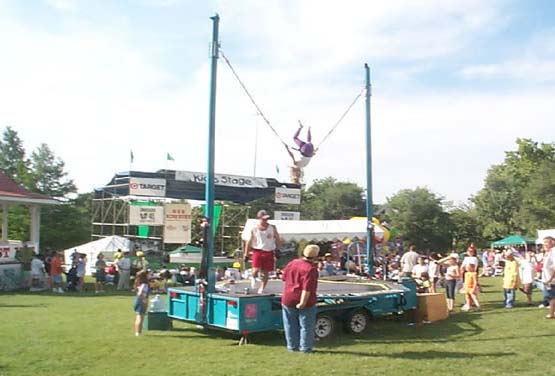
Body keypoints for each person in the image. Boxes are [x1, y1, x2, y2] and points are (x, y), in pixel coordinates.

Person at [281, 244, 320, 353]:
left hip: (288, 297)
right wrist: (302, 302)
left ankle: (291, 347)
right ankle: (305, 348)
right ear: (316, 256)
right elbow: (307, 288)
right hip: (305, 300)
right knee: (306, 325)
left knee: (289, 324)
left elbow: (283, 278)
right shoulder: (311, 269)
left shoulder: (293, 263)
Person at [243, 210, 281, 294]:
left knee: (266, 272)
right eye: (263, 219)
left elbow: (277, 238)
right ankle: (253, 277)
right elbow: (249, 242)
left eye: (266, 219)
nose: (265, 220)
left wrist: (278, 249)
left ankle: (262, 288)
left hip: (269, 251)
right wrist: (246, 254)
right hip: (258, 251)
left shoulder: (272, 227)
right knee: (255, 270)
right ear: (259, 218)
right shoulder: (254, 229)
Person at [541, 237, 555, 319]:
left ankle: (551, 314)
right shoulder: (548, 252)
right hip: (546, 278)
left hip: (551, 279)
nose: (545, 244)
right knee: (550, 296)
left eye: (547, 242)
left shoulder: (553, 252)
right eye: (544, 242)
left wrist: (550, 279)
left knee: (552, 296)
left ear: (552, 242)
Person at [133, 270, 150, 336]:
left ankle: (138, 332)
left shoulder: (138, 282)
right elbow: (141, 292)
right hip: (141, 300)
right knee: (140, 316)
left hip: (138, 300)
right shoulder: (144, 284)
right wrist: (144, 299)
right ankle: (138, 332)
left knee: (138, 316)